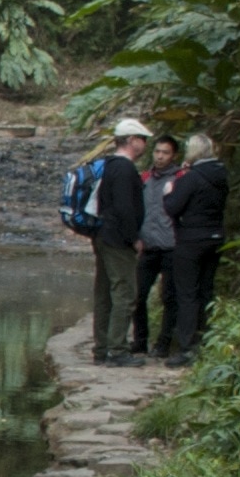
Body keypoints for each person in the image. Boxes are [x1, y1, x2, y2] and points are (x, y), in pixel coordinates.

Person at [86, 116, 151, 362]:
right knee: (124, 291)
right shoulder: (124, 169)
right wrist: (134, 237)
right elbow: (125, 208)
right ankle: (118, 350)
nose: (145, 145)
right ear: (131, 140)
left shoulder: (109, 165)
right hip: (118, 240)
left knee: (104, 292)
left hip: (103, 235)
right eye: (142, 140)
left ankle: (102, 348)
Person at [164, 128, 229, 361]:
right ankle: (206, 341)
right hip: (215, 236)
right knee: (206, 290)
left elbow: (172, 207)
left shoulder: (191, 177)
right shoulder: (221, 175)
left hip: (191, 239)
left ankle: (187, 346)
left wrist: (169, 191)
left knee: (187, 293)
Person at [132, 131, 180, 358]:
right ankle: (139, 341)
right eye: (158, 151)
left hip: (172, 246)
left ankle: (163, 343)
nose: (160, 156)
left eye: (165, 153)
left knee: (169, 297)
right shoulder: (145, 179)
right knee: (138, 295)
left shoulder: (180, 179)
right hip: (148, 246)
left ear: (174, 155)